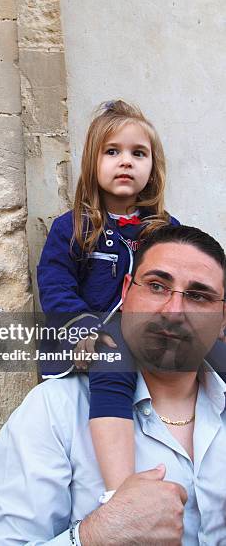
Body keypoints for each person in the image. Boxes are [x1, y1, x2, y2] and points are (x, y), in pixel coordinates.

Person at [0, 225, 226, 545]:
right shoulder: (55, 412)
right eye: (157, 286)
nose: (174, 311)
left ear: (222, 318)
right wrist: (94, 535)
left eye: (198, 295)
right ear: (125, 292)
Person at [36, 100, 226, 496]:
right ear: (93, 162)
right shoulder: (71, 227)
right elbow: (54, 283)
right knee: (113, 365)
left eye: (138, 153)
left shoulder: (164, 227)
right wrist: (79, 326)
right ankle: (120, 489)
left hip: (157, 330)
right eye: (113, 152)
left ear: (152, 167)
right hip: (100, 332)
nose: (126, 162)